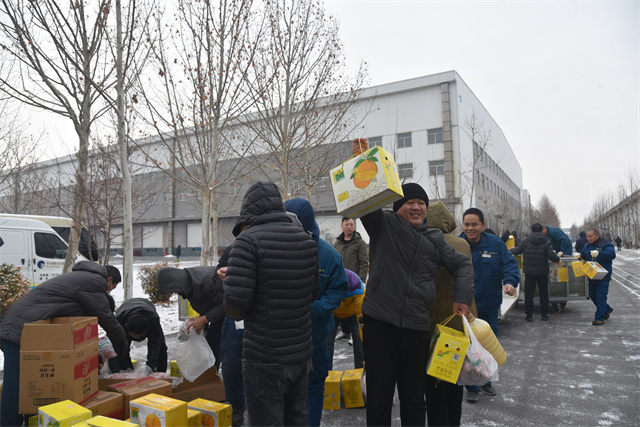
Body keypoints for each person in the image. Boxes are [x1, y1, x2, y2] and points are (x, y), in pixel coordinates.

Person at [354, 136, 475, 427]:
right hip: (379, 324)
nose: (417, 207)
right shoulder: (382, 225)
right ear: (398, 207)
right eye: (410, 202)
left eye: (422, 203)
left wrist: (461, 298)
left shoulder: (434, 240)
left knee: (413, 398)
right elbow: (363, 199)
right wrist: (362, 162)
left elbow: (462, 265)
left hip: (416, 329)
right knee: (380, 398)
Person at [223, 182, 320, 426]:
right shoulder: (307, 241)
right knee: (297, 419)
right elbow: (313, 293)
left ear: (248, 211)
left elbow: (235, 307)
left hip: (264, 356)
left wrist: (231, 283)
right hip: (300, 354)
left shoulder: (246, 243)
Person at [0, 261, 128, 427]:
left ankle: (27, 421)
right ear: (109, 280)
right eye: (113, 287)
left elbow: (78, 323)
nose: (109, 291)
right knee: (17, 387)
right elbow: (105, 315)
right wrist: (122, 342)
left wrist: (93, 354)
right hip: (20, 331)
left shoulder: (81, 281)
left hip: (30, 329)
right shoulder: (95, 281)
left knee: (33, 386)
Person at [284, 198, 348, 427]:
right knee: (286, 394)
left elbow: (338, 290)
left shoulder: (328, 256)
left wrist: (311, 310)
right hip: (283, 342)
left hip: (315, 338)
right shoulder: (275, 250)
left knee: (313, 389)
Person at [424, 201, 478, 427]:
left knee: (432, 384)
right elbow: (467, 285)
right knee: (453, 380)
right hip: (455, 323)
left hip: (428, 325)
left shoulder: (419, 242)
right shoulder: (462, 245)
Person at [460, 207, 519, 402]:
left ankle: (487, 381)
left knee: (487, 344)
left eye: (474, 224)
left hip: (489, 303)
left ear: (483, 225)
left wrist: (510, 282)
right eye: (467, 224)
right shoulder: (458, 244)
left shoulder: (495, 244)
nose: (470, 228)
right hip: (465, 306)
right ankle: (472, 385)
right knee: (469, 348)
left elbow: (509, 264)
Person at [156, 264, 224, 371]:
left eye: (174, 290)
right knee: (210, 345)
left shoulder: (205, 280)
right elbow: (208, 302)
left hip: (233, 317)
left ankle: (211, 380)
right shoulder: (188, 283)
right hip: (218, 317)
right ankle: (209, 377)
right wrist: (199, 319)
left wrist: (204, 319)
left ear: (177, 283)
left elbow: (226, 304)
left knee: (216, 346)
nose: (176, 293)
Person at [215, 220, 248, 426]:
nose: (247, 235)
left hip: (260, 317)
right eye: (243, 232)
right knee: (231, 365)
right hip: (234, 316)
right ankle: (236, 406)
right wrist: (221, 274)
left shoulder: (266, 248)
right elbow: (218, 271)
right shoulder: (231, 251)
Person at [510, 223, 560, 322]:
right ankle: (544, 315)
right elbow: (551, 255)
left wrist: (511, 249)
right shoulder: (546, 241)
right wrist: (557, 259)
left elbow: (517, 251)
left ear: (531, 230)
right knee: (543, 293)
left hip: (529, 271)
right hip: (542, 272)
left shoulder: (526, 240)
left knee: (529, 294)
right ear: (541, 231)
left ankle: (529, 315)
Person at [108, 298, 168, 373]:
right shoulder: (118, 323)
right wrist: (115, 372)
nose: (138, 338)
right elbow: (113, 350)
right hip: (126, 310)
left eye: (140, 336)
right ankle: (125, 370)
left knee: (161, 347)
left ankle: (161, 374)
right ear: (126, 326)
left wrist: (150, 367)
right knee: (122, 349)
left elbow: (155, 343)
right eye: (135, 336)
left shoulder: (153, 320)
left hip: (147, 307)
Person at [333, 217, 369, 341]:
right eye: (347, 224)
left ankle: (355, 334)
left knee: (354, 308)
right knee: (341, 305)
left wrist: (362, 280)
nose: (349, 227)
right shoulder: (337, 243)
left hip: (355, 282)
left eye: (352, 225)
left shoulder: (360, 243)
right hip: (339, 280)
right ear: (342, 226)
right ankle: (345, 331)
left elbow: (364, 263)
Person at [327, 269, 364, 371]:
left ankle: (360, 373)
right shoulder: (329, 282)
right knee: (327, 343)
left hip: (352, 314)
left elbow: (360, 317)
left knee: (359, 342)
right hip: (333, 313)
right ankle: (326, 375)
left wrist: (364, 339)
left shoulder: (357, 286)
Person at [579, 228, 616, 326]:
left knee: (600, 296)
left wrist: (600, 253)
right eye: (587, 236)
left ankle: (599, 318)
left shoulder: (605, 244)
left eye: (591, 236)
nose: (589, 238)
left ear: (597, 236)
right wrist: (578, 256)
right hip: (592, 275)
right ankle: (607, 309)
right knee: (592, 295)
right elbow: (583, 255)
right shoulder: (586, 246)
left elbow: (612, 254)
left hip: (603, 275)